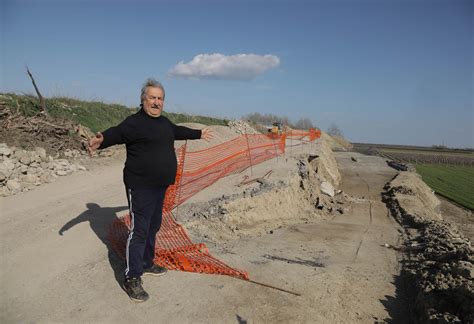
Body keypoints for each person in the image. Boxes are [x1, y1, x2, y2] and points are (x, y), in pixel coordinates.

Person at [88, 79, 213, 302]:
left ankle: (146, 263)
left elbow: (177, 130)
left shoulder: (164, 123)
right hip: (140, 186)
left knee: (153, 225)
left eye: (160, 98)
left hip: (160, 185)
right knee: (140, 230)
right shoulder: (134, 123)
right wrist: (103, 139)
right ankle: (132, 277)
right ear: (143, 99)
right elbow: (117, 132)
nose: (156, 102)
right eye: (152, 97)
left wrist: (199, 134)